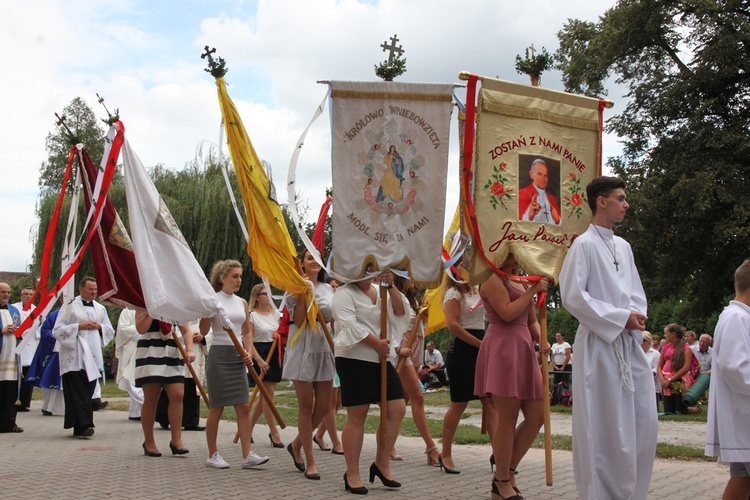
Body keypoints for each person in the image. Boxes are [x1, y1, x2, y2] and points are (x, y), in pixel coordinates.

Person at [558, 176, 657, 500]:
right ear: (602, 201)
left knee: (641, 424)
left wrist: (635, 317)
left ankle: (632, 493)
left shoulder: (623, 247)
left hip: (628, 345)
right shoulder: (583, 245)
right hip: (599, 347)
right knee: (604, 427)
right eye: (621, 198)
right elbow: (573, 296)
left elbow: (635, 293)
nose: (626, 204)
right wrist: (618, 318)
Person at [476, 254, 548, 499]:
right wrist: (534, 290)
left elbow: (531, 321)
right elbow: (506, 313)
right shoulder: (490, 277)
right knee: (507, 418)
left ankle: (507, 470)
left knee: (538, 415)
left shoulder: (520, 280)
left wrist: (542, 339)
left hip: (524, 349)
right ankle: (502, 480)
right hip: (502, 348)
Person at [332, 267, 408, 494]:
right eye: (364, 267)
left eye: (372, 267)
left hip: (381, 359)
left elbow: (401, 312)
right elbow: (348, 324)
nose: (369, 271)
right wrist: (376, 344)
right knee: (358, 415)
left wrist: (391, 285)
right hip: (355, 358)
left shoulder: (381, 289)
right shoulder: (344, 293)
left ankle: (381, 463)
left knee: (397, 408)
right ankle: (352, 473)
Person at [200, 260, 269, 469]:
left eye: (240, 276)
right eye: (234, 276)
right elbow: (203, 331)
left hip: (239, 356)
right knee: (217, 407)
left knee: (243, 406)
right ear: (222, 278)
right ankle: (213, 454)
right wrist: (207, 309)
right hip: (219, 355)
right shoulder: (213, 300)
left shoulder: (242, 302)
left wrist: (248, 352)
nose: (239, 280)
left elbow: (247, 331)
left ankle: (247, 454)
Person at [439, 257, 496, 475]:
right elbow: (453, 326)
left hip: (483, 344)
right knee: (459, 404)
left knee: (490, 402)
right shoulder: (453, 294)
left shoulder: (479, 290)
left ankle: (498, 453)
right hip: (462, 351)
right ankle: (445, 453)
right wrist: (480, 344)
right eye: (463, 265)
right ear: (455, 269)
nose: (468, 269)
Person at [283, 249, 336, 480]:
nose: (315, 261)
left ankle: (296, 444)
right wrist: (304, 292)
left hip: (323, 346)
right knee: (306, 406)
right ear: (302, 264)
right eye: (309, 258)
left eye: (317, 258)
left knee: (324, 406)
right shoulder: (293, 288)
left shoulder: (328, 288)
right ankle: (310, 461)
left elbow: (332, 317)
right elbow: (299, 319)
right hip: (302, 346)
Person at [705, 258, 750, 499]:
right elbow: (736, 368)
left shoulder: (741, 316)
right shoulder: (736, 318)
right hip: (744, 415)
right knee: (743, 476)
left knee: (743, 477)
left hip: (744, 416)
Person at [52, 277, 115, 438]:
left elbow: (110, 330)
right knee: (77, 392)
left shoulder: (100, 309)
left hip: (93, 355)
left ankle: (78, 426)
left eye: (95, 289)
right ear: (81, 289)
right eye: (90, 289)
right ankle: (86, 424)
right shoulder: (69, 306)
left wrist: (99, 326)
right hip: (75, 356)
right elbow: (58, 330)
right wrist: (78, 326)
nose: (94, 292)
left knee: (87, 391)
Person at [391, 274, 441, 467]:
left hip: (416, 345)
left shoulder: (411, 299)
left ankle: (387, 443)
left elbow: (418, 324)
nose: (414, 278)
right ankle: (431, 448)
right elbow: (391, 325)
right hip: (403, 347)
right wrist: (396, 349)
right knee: (418, 396)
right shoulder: (392, 295)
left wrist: (423, 315)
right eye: (410, 274)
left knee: (400, 401)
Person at [134, 311, 194, 457]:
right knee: (151, 398)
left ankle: (176, 441)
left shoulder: (174, 302)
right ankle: (149, 442)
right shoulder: (144, 302)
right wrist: (151, 311)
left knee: (178, 395)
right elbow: (141, 328)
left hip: (173, 350)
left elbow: (186, 330)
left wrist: (189, 349)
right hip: (150, 350)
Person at [246, 284, 284, 448]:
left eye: (269, 293)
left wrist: (279, 335)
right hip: (260, 354)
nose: (268, 297)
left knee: (266, 396)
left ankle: (248, 428)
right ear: (256, 297)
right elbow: (248, 341)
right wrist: (259, 360)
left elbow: (283, 333)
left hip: (274, 353)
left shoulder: (276, 315)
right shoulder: (251, 316)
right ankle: (273, 431)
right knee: (267, 395)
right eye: (264, 294)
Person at [155, 321, 207, 432]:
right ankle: (164, 418)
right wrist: (184, 341)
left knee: (192, 387)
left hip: (197, 353)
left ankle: (191, 421)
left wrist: (203, 338)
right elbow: (174, 329)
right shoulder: (182, 309)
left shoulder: (202, 312)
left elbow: (209, 330)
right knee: (174, 387)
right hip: (179, 351)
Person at [658, 323, 698, 415]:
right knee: (668, 410)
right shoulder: (665, 348)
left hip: (678, 380)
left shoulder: (686, 348)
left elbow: (686, 367)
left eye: (666, 333)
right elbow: (659, 365)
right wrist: (662, 379)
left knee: (679, 409)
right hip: (666, 379)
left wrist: (670, 379)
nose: (665, 336)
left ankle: (691, 409)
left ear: (673, 334)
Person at [0, 282, 22, 432]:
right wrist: (2, 330)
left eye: (8, 292)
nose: (6, 295)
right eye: (3, 292)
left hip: (12, 357)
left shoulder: (14, 310)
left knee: (10, 391)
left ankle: (9, 423)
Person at [115, 309, 144, 421]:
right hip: (132, 348)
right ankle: (149, 407)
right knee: (131, 378)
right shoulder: (128, 310)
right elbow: (123, 329)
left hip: (145, 348)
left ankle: (136, 412)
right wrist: (143, 330)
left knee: (139, 380)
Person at [518, 159, 561, 224]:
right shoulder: (522, 193)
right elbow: (516, 224)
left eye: (545, 175)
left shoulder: (552, 198)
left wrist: (557, 220)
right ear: (531, 174)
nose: (543, 179)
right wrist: (529, 216)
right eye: (539, 174)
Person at [13, 287, 35, 413]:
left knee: (28, 376)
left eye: (30, 294)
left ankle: (25, 402)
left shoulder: (38, 309)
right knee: (17, 375)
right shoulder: (14, 308)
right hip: (19, 345)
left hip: (32, 346)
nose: (28, 296)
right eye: (26, 294)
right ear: (21, 296)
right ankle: (15, 401)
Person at [641, 331, 662, 410]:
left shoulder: (655, 353)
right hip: (639, 382)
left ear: (648, 341)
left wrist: (648, 373)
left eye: (644, 340)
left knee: (652, 406)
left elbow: (657, 367)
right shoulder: (635, 352)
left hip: (653, 383)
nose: (641, 342)